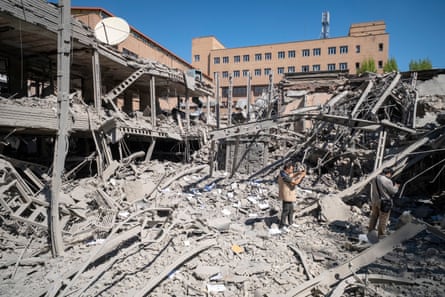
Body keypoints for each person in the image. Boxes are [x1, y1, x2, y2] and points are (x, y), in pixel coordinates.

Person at [368, 167, 400, 238]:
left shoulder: (375, 178)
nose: (391, 176)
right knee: (383, 219)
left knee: (374, 217)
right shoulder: (387, 181)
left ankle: (370, 232)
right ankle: (381, 235)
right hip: (384, 202)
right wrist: (396, 186)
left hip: (374, 201)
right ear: (388, 173)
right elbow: (393, 191)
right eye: (391, 174)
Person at [277, 161, 306, 232]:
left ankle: (290, 223)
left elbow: (292, 175)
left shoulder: (284, 173)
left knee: (291, 210)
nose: (292, 171)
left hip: (289, 195)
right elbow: (295, 182)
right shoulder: (284, 176)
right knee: (286, 210)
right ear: (287, 168)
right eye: (291, 169)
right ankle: (282, 226)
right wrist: (301, 176)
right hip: (286, 195)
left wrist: (299, 173)